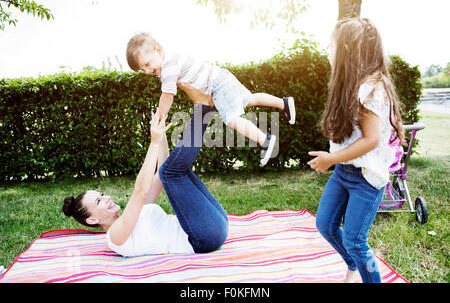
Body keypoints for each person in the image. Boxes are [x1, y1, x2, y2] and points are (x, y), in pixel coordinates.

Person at [307, 18, 404, 283]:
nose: (329, 50)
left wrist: (331, 158)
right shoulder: (354, 83)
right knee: (325, 225)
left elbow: (371, 139)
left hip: (366, 178)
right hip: (344, 172)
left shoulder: (371, 88)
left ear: (348, 49)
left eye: (332, 45)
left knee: (355, 240)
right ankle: (352, 264)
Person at [62, 105, 229, 256]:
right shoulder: (114, 237)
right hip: (203, 238)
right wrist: (153, 142)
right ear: (92, 220)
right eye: (98, 201)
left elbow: (164, 171)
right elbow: (140, 191)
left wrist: (160, 134)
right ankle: (205, 107)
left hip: (213, 224)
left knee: (173, 170)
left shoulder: (132, 213)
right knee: (172, 172)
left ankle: (205, 106)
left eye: (102, 194)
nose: (106, 198)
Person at [125, 32, 296, 166]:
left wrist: (160, 118)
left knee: (231, 119)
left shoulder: (168, 66)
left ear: (159, 50)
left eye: (147, 64)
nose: (147, 71)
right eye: (142, 69)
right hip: (221, 77)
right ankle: (284, 103)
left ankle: (264, 139)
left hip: (217, 85)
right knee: (248, 99)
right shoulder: (170, 62)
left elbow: (167, 95)